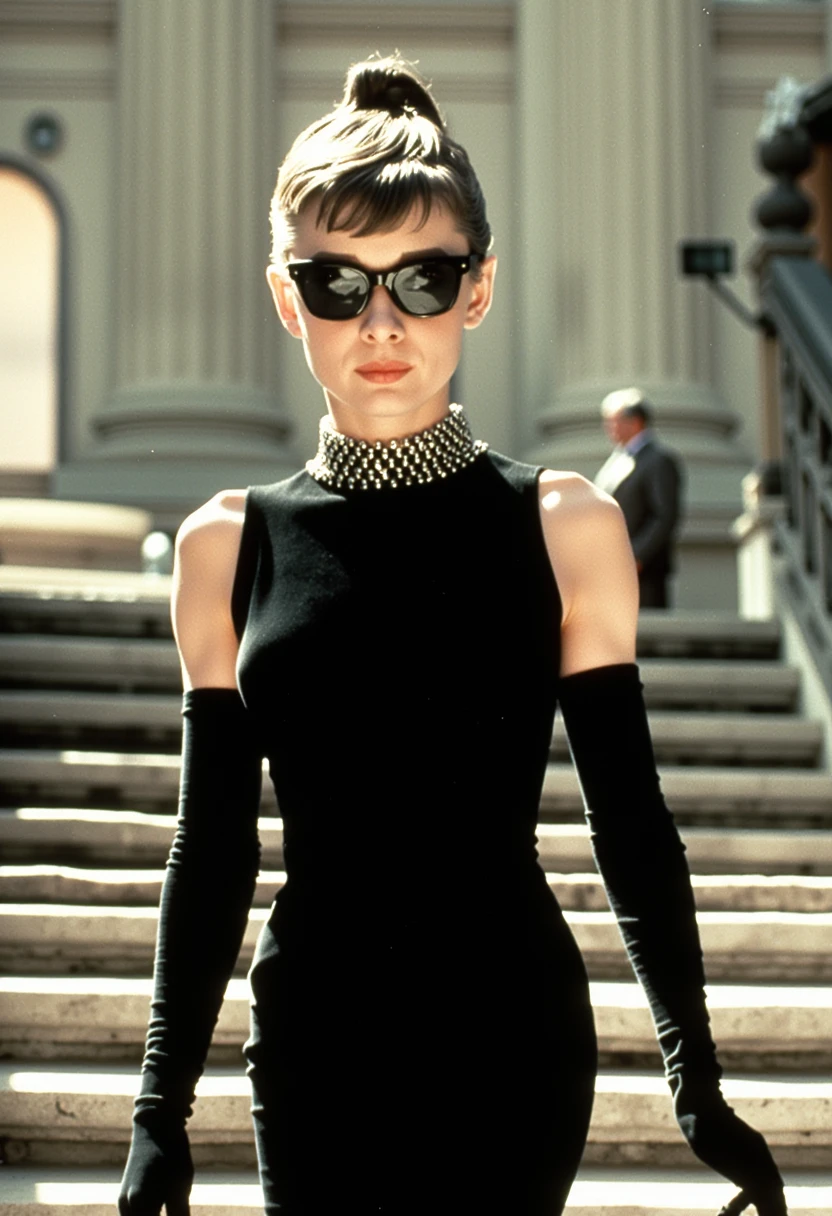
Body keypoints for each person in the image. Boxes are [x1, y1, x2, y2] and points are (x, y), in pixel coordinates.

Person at [117, 56, 787, 1216]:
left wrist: (697, 1076)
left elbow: (628, 817)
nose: (381, 321)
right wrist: (157, 1112)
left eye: (422, 280)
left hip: (512, 1038)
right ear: (287, 298)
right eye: (338, 283)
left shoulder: (565, 524)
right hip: (314, 1042)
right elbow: (211, 851)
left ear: (477, 290)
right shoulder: (223, 547)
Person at [594, 387, 683, 608]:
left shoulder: (658, 460)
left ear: (635, 422)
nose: (608, 428)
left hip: (643, 572)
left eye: (613, 421)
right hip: (613, 567)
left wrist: (636, 557)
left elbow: (664, 516)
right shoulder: (616, 460)